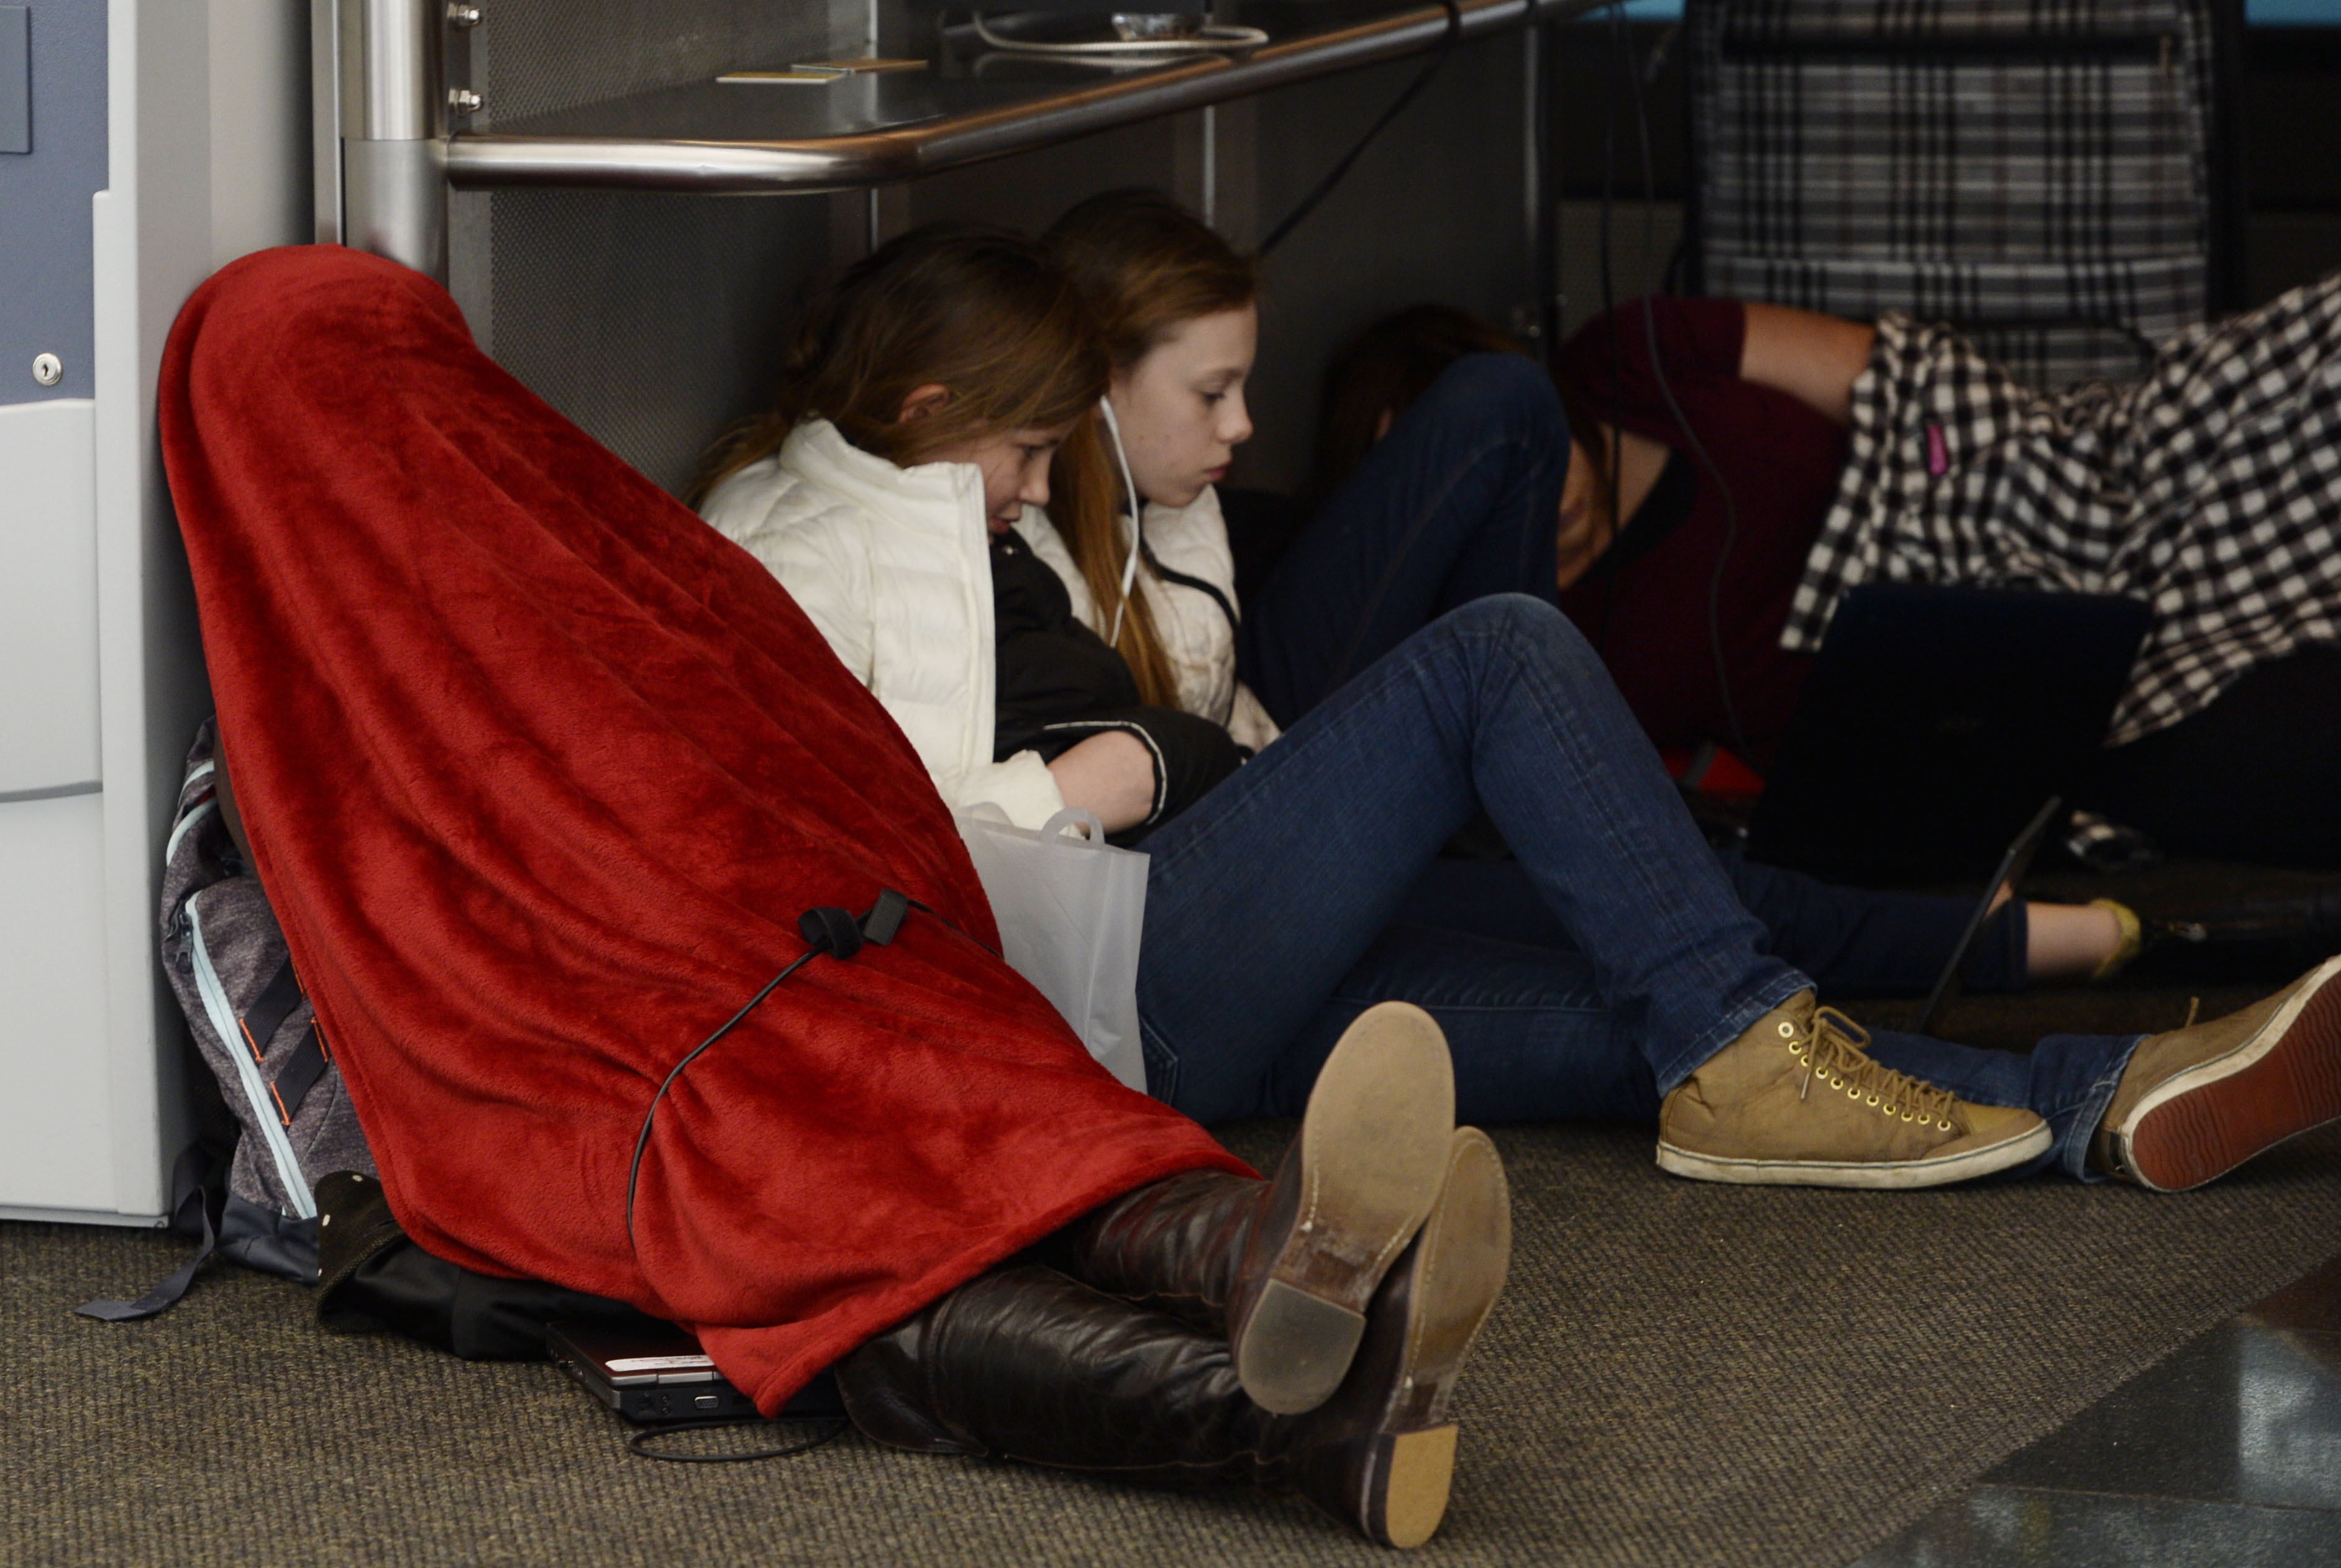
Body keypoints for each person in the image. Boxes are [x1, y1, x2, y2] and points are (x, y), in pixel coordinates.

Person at [166, 242, 1509, 1550]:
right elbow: (778, 723)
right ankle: (1276, 1288)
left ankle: (1297, 1371)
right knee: (889, 1153)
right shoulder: (566, 545)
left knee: (879, 1173)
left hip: (706, 1009)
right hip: (682, 1031)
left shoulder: (307, 693)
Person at [695, 219, 2341, 1196]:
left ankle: (2095, 1103)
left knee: (1655, 1018)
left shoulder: (971, 515)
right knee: (1497, 649)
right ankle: (1754, 1040)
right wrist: (1104, 777)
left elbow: (1167, 638)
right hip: (1123, 963)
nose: (1043, 489)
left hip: (1210, 986)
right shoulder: (796, 542)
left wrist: (1158, 731)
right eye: (1028, 453)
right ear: (924, 409)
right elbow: (829, 867)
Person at [1026, 189, 2133, 995]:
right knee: (1678, 906)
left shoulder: (1185, 503)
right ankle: (2028, 947)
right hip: (1262, 849)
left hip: (1298, 744)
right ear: (1097, 387)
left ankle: (1527, 775)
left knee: (1506, 399)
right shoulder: (1022, 553)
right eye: (1213, 391)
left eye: (1243, 388)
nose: (1241, 426)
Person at [1332, 289, 2341, 868]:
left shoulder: (1631, 354)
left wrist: (2005, 477)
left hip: (2032, 484)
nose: (1541, 501)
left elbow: (1900, 375)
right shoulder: (1534, 635)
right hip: (1981, 702)